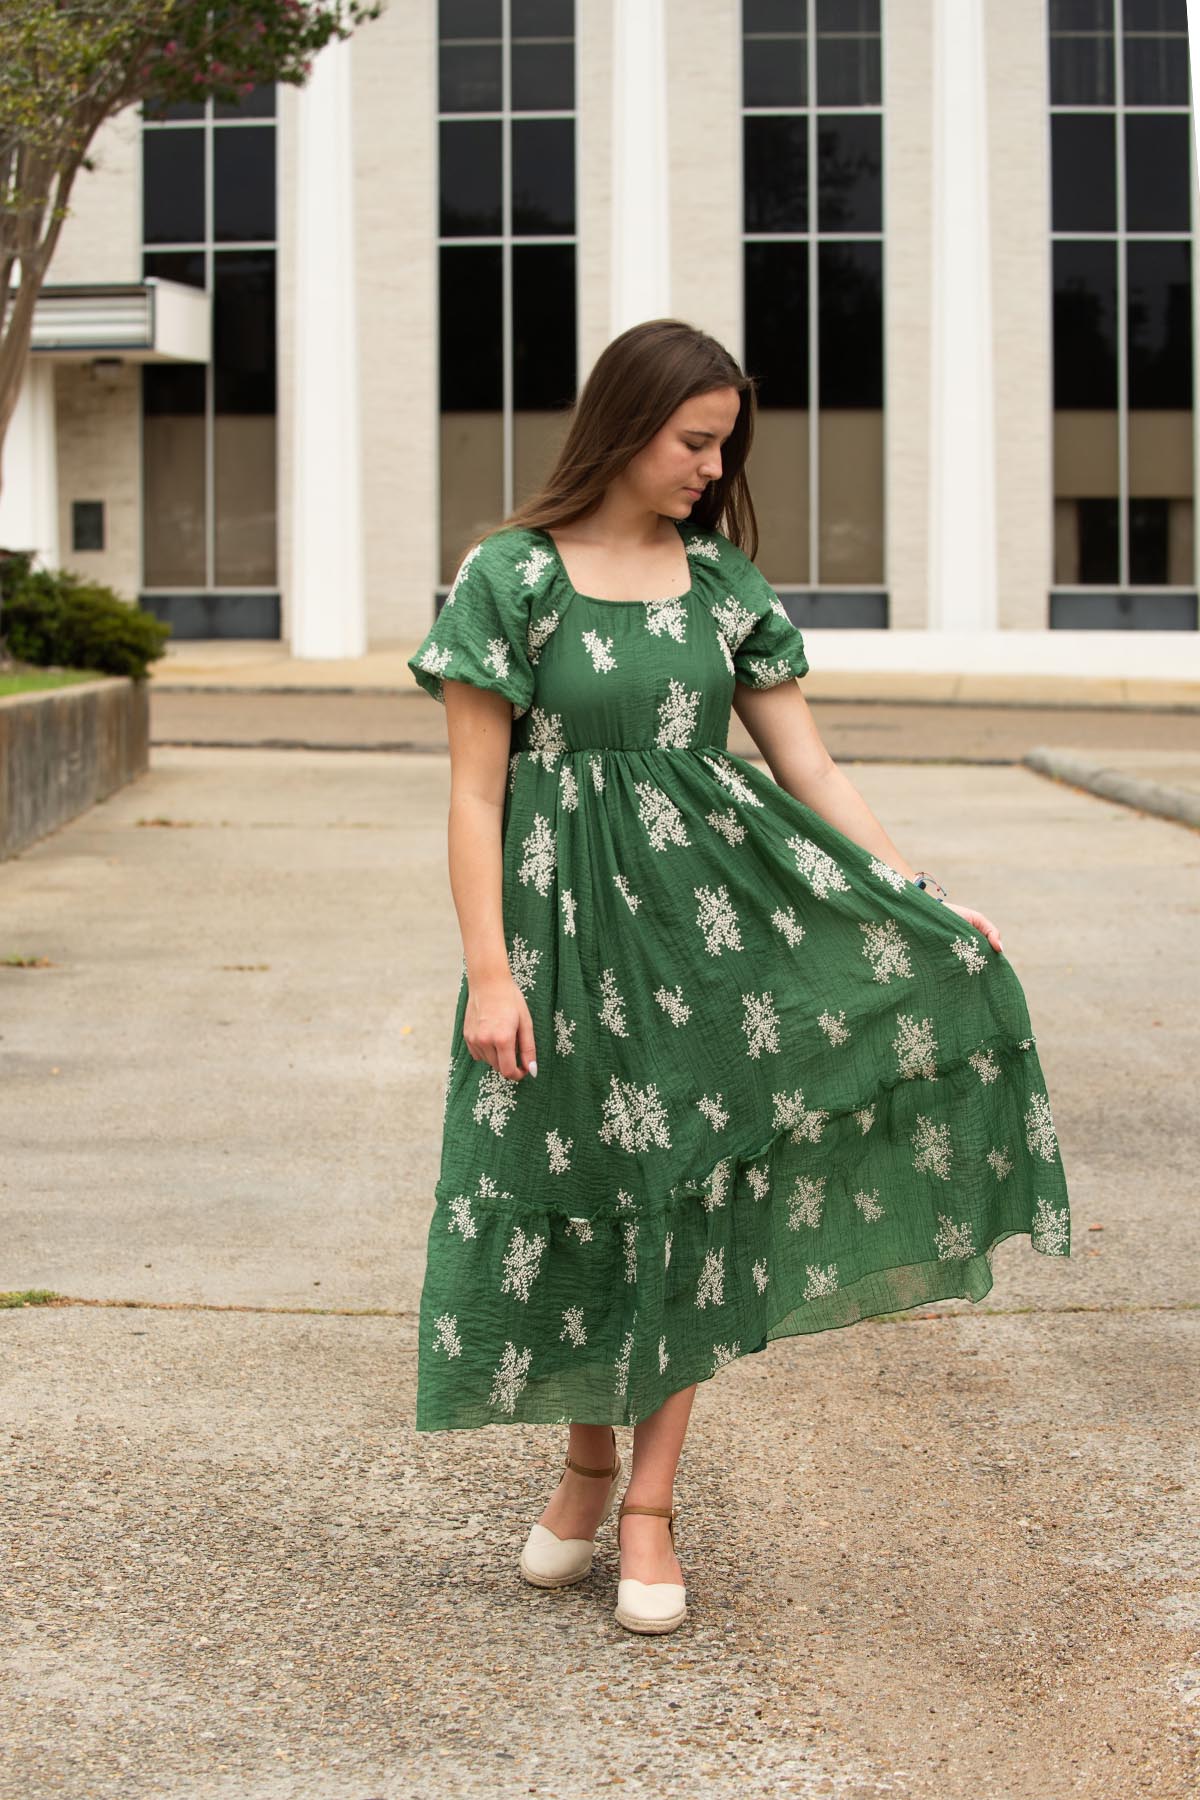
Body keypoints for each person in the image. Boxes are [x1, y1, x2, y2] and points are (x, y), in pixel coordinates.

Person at [405, 318, 1071, 1637]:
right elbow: (475, 795)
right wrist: (490, 970)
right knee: (573, 1189)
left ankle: (648, 1502)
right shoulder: (510, 580)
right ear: (624, 424)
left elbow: (807, 768)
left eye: (724, 444)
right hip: (555, 949)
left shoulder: (722, 587)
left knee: (685, 1206)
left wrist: (914, 896)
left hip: (708, 949)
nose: (713, 466)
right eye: (692, 440)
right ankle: (585, 1467)